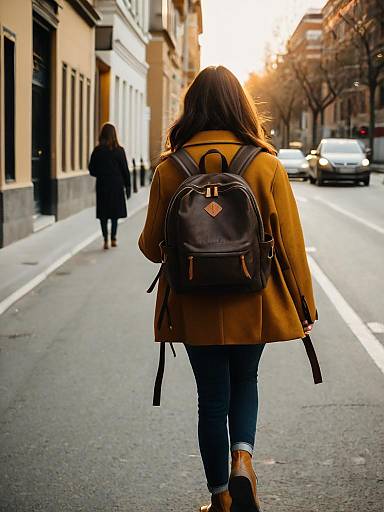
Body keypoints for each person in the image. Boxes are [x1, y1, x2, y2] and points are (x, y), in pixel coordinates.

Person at [138, 66, 317, 512]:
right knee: (246, 380)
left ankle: (220, 499)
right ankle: (243, 459)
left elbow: (149, 249)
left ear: (191, 108)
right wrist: (303, 306)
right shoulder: (266, 164)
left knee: (211, 398)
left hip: (193, 304)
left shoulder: (169, 167)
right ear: (241, 106)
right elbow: (291, 245)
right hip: (252, 299)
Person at [89, 123, 131, 250]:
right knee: (114, 214)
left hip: (103, 185)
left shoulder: (97, 150)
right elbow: (125, 170)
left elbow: (91, 169)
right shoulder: (119, 150)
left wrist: (101, 174)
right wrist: (128, 186)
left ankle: (105, 239)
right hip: (116, 186)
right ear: (114, 135)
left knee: (103, 214)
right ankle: (113, 238)